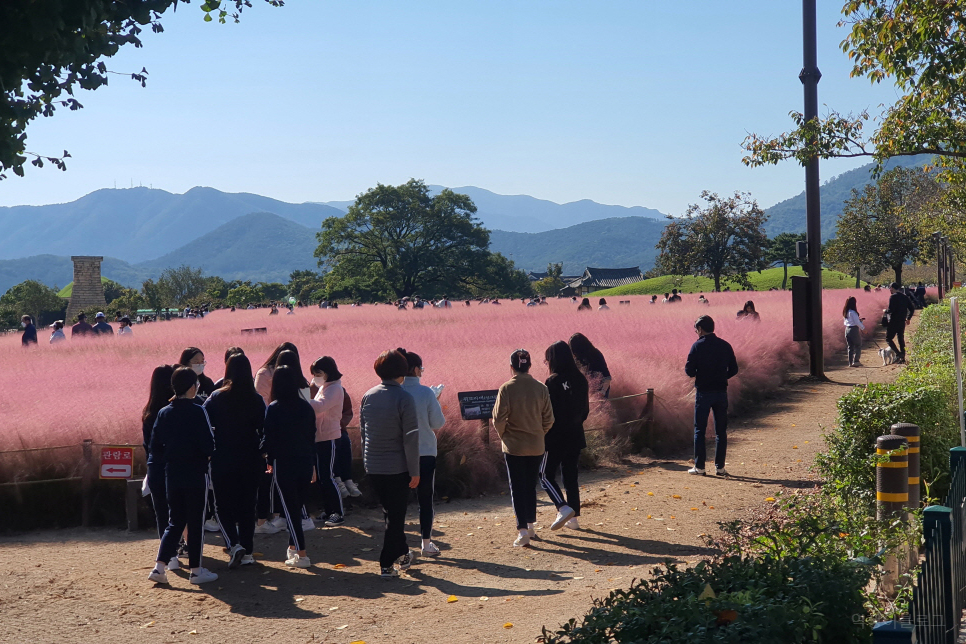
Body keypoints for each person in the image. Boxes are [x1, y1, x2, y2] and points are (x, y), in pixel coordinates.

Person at [147, 366, 218, 586]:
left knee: (174, 522)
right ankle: (196, 571)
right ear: (191, 387)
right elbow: (209, 445)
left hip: (172, 474)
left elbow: (155, 447)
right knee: (195, 522)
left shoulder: (163, 412)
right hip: (195, 473)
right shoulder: (199, 410)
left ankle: (160, 567)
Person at [359, 350, 421, 578]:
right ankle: (386, 563)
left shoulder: (368, 396)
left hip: (373, 466)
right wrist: (415, 471)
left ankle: (403, 553)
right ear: (402, 372)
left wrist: (368, 462)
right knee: (396, 517)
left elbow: (365, 434)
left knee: (391, 515)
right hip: (397, 467)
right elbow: (411, 438)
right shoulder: (404, 398)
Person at [203, 354, 266, 568]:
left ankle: (233, 544)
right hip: (250, 458)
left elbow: (205, 425)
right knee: (248, 506)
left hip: (223, 458)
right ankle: (247, 551)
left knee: (222, 506)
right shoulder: (256, 399)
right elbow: (264, 428)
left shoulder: (216, 397)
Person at [494, 349, 554, 547]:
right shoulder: (541, 388)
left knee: (517, 487)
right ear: (529, 366)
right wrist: (539, 433)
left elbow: (498, 419)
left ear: (512, 367)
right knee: (530, 486)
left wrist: (505, 435)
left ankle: (522, 531)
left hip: (514, 446)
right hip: (537, 444)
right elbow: (549, 419)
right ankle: (530, 526)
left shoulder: (506, 388)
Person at [262, 365, 318, 568]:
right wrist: (312, 464)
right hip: (304, 462)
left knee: (290, 511)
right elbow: (312, 437)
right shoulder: (306, 407)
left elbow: (269, 438)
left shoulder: (274, 408)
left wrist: (269, 460)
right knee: (296, 507)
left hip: (284, 463)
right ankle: (293, 548)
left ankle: (302, 555)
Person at [399, 348, 446, 556]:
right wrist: (435, 399)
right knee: (425, 500)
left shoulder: (395, 392)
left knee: (398, 502)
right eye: (421, 369)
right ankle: (426, 544)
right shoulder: (426, 392)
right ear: (416, 369)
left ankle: (400, 546)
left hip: (399, 455)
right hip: (425, 452)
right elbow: (438, 423)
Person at [540, 341, 589, 531]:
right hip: (576, 434)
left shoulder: (552, 382)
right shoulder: (581, 379)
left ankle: (563, 507)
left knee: (544, 474)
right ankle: (573, 518)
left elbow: (547, 413)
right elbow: (585, 410)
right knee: (571, 476)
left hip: (554, 437)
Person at [685, 315, 738, 477]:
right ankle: (720, 468)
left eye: (696, 329)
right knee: (721, 431)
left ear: (700, 329)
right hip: (721, 392)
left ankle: (700, 467)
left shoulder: (697, 346)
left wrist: (701, 374)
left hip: (703, 392)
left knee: (700, 429)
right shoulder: (725, 345)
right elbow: (734, 369)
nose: (696, 332)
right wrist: (722, 377)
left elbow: (689, 371)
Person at [141, 364, 180, 570]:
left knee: (162, 514)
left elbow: (148, 446)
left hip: (155, 468)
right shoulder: (174, 411)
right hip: (174, 468)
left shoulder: (148, 412)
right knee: (179, 513)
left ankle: (170, 557)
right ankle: (180, 550)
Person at [307, 356, 348, 527]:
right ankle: (329, 510)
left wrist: (300, 399)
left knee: (328, 476)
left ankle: (338, 513)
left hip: (329, 437)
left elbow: (319, 406)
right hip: (321, 436)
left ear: (328, 372)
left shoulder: (335, 389)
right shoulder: (326, 387)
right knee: (323, 477)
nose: (315, 377)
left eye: (318, 373)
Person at [333, 388, 362, 498]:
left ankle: (348, 480)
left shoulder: (339, 390)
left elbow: (347, 412)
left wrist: (339, 424)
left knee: (345, 442)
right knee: (333, 444)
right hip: (322, 431)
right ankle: (338, 479)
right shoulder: (311, 390)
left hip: (338, 428)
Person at [568, 332, 611, 398]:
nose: (574, 354)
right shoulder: (576, 359)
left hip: (601, 390)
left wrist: (602, 392)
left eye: (574, 351)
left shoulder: (596, 355)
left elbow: (607, 377)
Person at [887, 282, 915, 363]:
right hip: (902, 321)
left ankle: (898, 354)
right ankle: (902, 357)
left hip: (893, 321)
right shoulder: (905, 297)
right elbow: (912, 308)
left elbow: (891, 310)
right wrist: (908, 318)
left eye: (890, 288)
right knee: (900, 339)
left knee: (888, 338)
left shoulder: (892, 297)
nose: (889, 290)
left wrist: (885, 311)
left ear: (892, 288)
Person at [843, 296, 866, 367]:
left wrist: (859, 321)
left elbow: (849, 321)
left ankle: (850, 362)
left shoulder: (845, 312)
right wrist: (863, 328)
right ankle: (856, 361)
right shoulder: (853, 312)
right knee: (858, 345)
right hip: (853, 330)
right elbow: (857, 323)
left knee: (850, 347)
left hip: (847, 329)